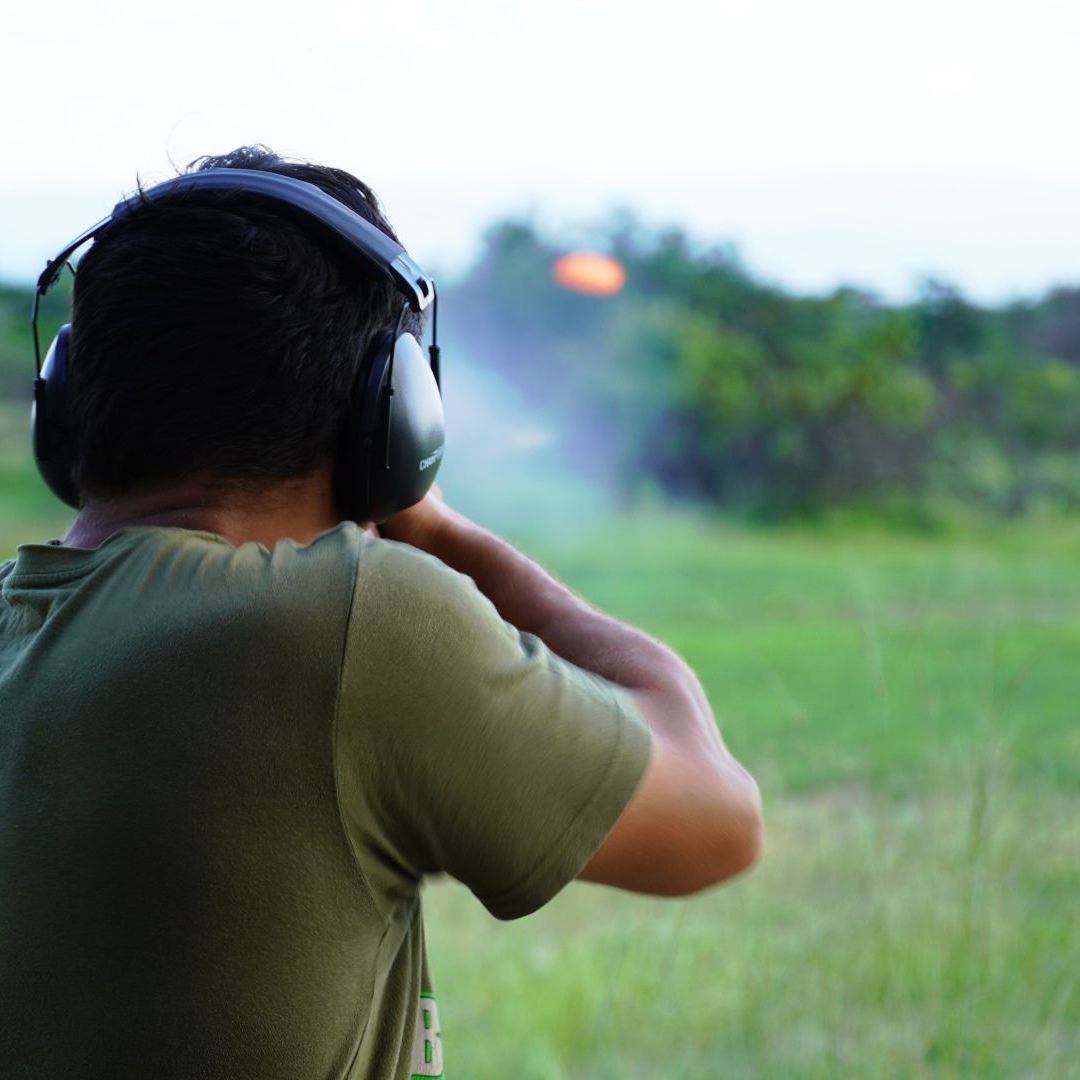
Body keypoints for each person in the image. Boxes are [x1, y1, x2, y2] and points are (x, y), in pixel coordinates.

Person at [0, 146, 762, 1080]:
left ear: (69, 398)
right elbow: (716, 822)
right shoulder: (341, 624)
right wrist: (432, 529)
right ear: (393, 422)